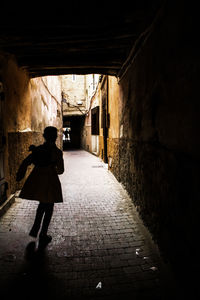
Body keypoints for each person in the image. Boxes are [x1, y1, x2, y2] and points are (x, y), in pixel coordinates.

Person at [16, 126, 64, 244]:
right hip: (50, 181)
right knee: (49, 207)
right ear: (56, 137)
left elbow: (26, 162)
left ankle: (35, 228)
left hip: (38, 180)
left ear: (44, 136)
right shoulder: (57, 152)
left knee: (42, 204)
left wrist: (20, 175)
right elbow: (61, 170)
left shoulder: (37, 150)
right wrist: (52, 169)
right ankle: (43, 233)